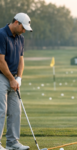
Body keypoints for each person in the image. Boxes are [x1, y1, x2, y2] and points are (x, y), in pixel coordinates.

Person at [0, 13, 33, 150]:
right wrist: (12, 79)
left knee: (15, 110)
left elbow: (21, 60)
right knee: (1, 110)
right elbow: (0, 61)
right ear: (16, 22)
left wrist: (18, 78)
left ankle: (12, 143)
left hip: (14, 78)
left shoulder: (21, 38)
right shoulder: (1, 34)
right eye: (23, 27)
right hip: (2, 76)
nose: (24, 30)